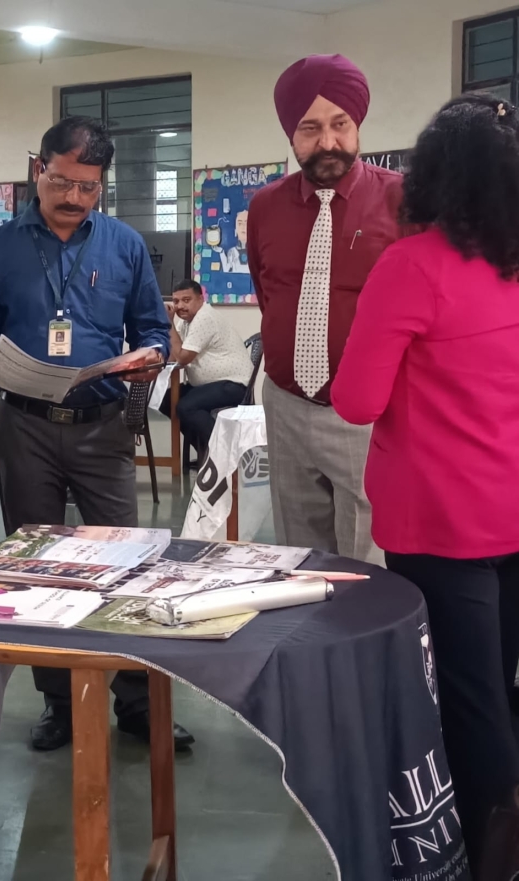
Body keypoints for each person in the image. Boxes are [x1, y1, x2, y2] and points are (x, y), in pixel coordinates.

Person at [0, 116, 194, 753]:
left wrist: (151, 354)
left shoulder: (124, 245)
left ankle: (138, 702)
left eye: (89, 187)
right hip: (25, 428)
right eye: (63, 182)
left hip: (103, 425)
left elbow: (152, 328)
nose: (75, 197)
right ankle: (59, 703)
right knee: (36, 566)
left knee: (128, 564)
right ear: (39, 169)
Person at [332, 94, 519, 880]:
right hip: (510, 506)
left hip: (440, 520)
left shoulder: (412, 266)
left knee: (469, 701)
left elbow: (356, 399)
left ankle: (488, 855)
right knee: (502, 683)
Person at [247, 54, 404, 564]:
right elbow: (268, 293)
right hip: (287, 405)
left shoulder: (402, 201)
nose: (328, 142)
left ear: (357, 125)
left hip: (369, 415)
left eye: (341, 125)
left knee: (368, 564)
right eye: (310, 129)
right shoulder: (265, 206)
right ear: (291, 134)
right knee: (300, 560)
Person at [159, 280, 253, 460]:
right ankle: (205, 451)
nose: (180, 306)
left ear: (200, 299)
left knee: (186, 407)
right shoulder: (186, 323)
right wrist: (167, 326)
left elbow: (183, 358)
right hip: (209, 384)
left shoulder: (204, 318)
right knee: (166, 401)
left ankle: (222, 456)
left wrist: (169, 323)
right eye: (176, 301)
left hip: (233, 384)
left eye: (186, 300)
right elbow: (174, 357)